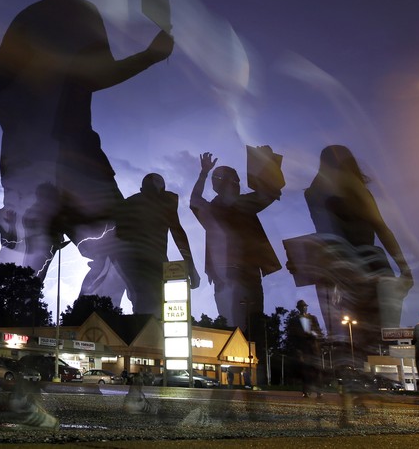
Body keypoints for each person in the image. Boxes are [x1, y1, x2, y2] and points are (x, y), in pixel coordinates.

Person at [0, 0, 175, 305]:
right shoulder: (80, 14)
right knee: (118, 249)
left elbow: (2, 102)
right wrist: (150, 56)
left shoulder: (23, 21)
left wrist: (22, 154)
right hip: (74, 159)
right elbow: (98, 74)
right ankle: (98, 325)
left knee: (24, 253)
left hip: (30, 161)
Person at [303, 145, 413, 358]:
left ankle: (356, 371)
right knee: (380, 331)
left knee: (349, 333)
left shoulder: (313, 194)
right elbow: (381, 228)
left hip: (337, 266)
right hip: (370, 264)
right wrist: (404, 268)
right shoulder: (357, 190)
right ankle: (380, 372)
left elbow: (322, 233)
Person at [190, 150, 282, 387]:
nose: (238, 184)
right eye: (234, 181)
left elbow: (270, 193)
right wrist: (203, 173)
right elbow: (193, 201)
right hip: (228, 275)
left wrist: (266, 164)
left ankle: (250, 376)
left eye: (239, 180)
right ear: (220, 185)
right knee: (235, 325)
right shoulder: (216, 209)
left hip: (248, 273)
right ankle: (236, 375)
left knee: (252, 323)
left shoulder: (241, 204)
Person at [114, 173, 198, 316]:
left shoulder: (132, 203)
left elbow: (177, 232)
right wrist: (190, 266)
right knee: (150, 309)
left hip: (140, 264)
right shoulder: (163, 202)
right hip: (142, 264)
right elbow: (177, 232)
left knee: (150, 308)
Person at [290, 299, 323, 397]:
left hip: (314, 347)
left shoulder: (313, 318)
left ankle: (319, 391)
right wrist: (297, 350)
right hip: (303, 348)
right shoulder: (295, 320)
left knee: (317, 370)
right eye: (301, 307)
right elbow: (293, 335)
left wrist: (315, 335)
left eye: (304, 306)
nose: (303, 308)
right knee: (305, 370)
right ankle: (306, 391)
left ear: (306, 307)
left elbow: (318, 330)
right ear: (298, 308)